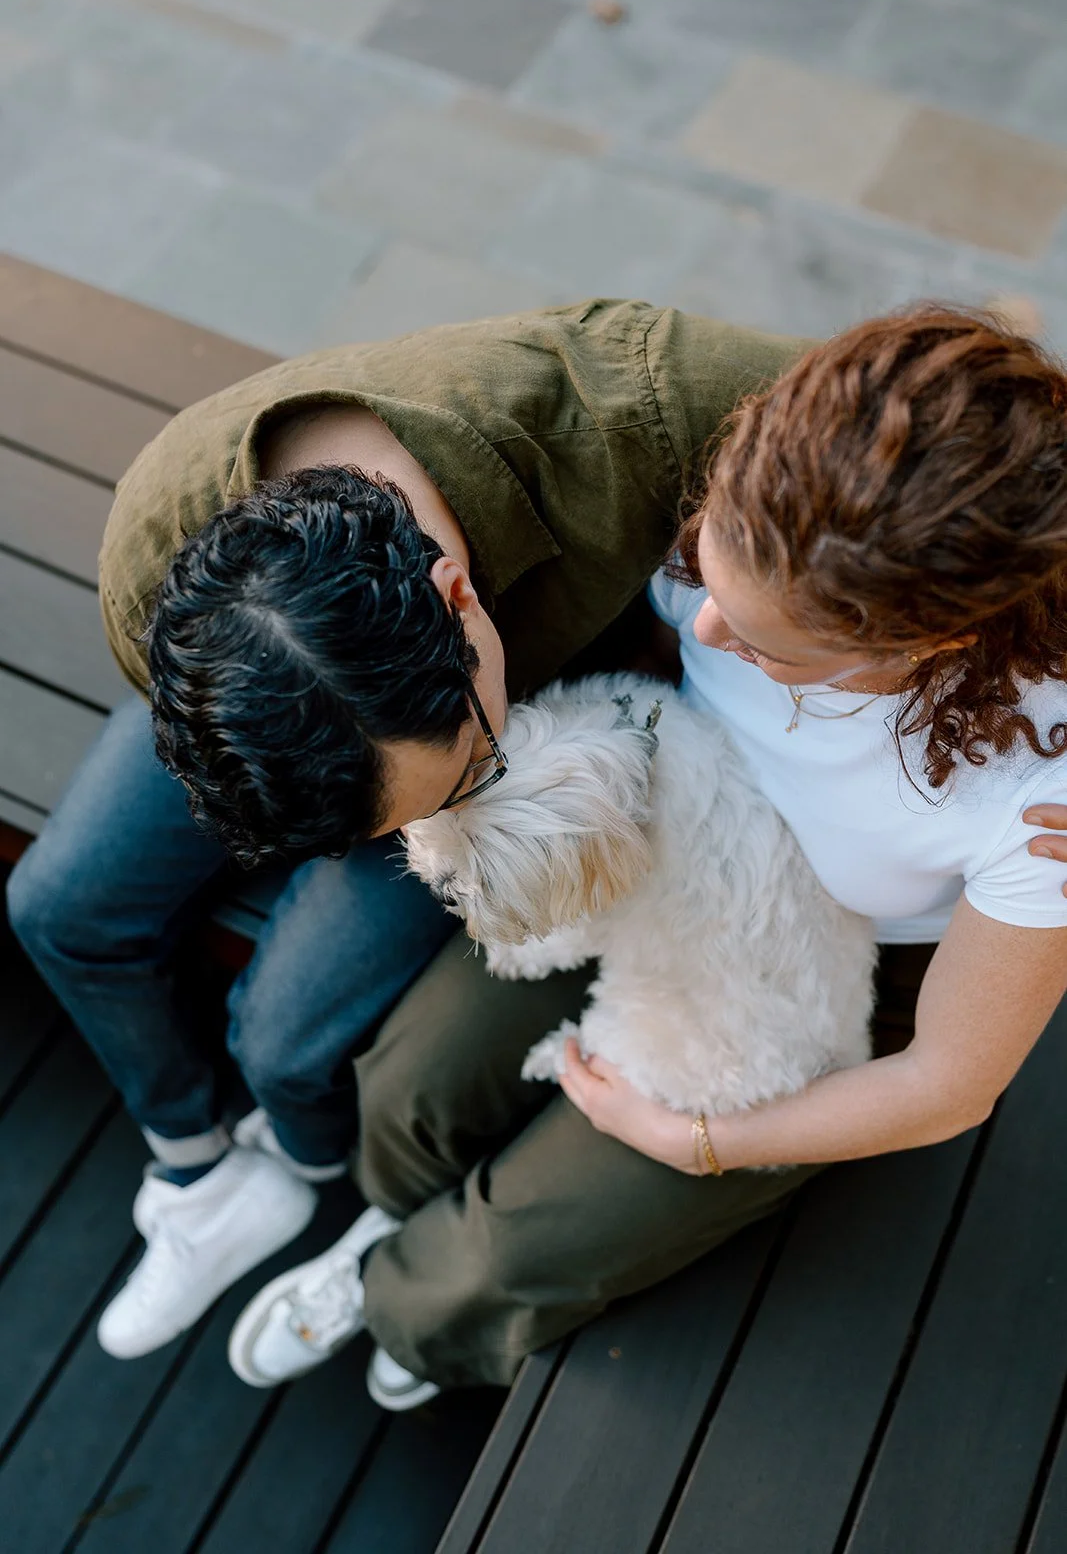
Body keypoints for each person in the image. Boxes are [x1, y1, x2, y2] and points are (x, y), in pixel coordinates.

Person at [175, 305, 1067, 1411]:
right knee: (409, 1081)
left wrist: (700, 1141)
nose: (704, 632)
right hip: (654, 840)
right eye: (712, 574)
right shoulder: (772, 519)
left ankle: (409, 1309)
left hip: (826, 973)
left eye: (761, 642)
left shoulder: (1036, 795)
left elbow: (948, 1084)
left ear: (920, 643)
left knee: (501, 1256)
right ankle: (379, 1219)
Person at [5, 299, 803, 1373]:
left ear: (459, 596)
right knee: (58, 907)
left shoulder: (667, 404)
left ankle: (291, 1164)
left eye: (457, 781)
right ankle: (196, 1168)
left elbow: (969, 445)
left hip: (488, 720)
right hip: (300, 717)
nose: (415, 844)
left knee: (284, 1037)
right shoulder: (151, 565)